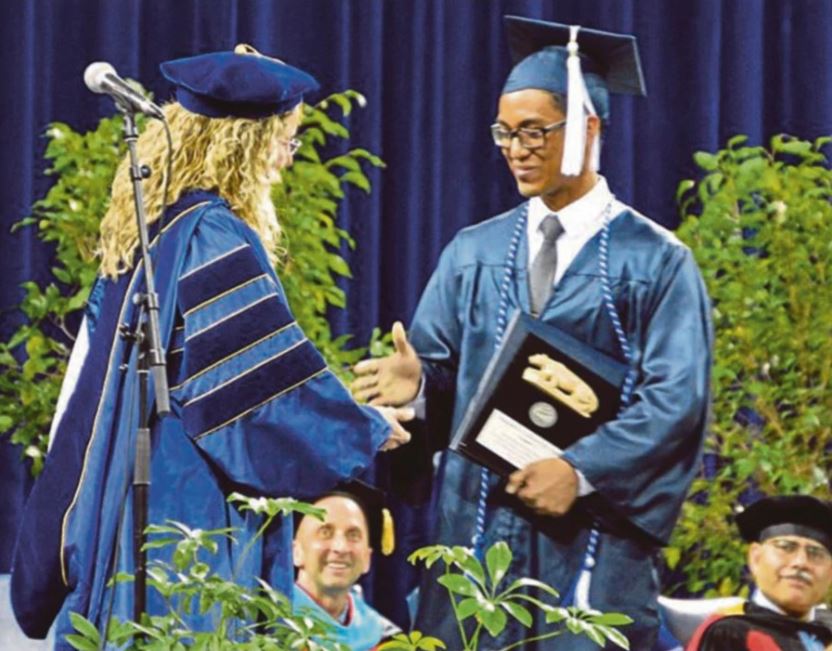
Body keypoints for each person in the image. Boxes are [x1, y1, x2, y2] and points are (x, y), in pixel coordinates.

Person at [11, 45, 411, 649]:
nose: (287, 158)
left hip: (130, 481)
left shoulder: (154, 229)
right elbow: (255, 398)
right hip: (185, 491)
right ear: (248, 143)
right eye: (286, 138)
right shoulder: (214, 234)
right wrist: (362, 427)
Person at [352, 16, 713, 649]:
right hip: (476, 536)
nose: (515, 148)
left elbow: (675, 402)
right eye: (503, 132)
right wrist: (415, 389)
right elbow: (440, 378)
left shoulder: (655, 259)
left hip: (592, 546)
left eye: (533, 131)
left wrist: (579, 469)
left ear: (587, 130)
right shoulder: (473, 252)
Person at [687, 495, 832, 651]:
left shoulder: (826, 627)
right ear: (755, 558)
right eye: (786, 547)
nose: (801, 562)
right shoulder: (730, 633)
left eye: (816, 553)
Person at [293, 482, 401, 650]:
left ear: (367, 558)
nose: (341, 548)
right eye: (325, 532)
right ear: (296, 551)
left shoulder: (385, 640)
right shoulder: (267, 626)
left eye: (353, 535)